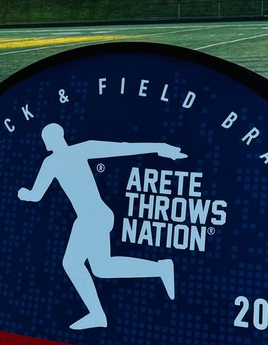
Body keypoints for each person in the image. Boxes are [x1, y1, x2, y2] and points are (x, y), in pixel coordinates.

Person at [17, 122, 185, 330]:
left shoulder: (52, 161)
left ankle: (97, 314)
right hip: (98, 215)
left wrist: (23, 193)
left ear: (51, 140)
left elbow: (35, 195)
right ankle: (160, 268)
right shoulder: (77, 151)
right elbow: (122, 148)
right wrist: (159, 147)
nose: (46, 143)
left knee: (72, 263)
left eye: (46, 139)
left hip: (91, 218)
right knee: (102, 268)